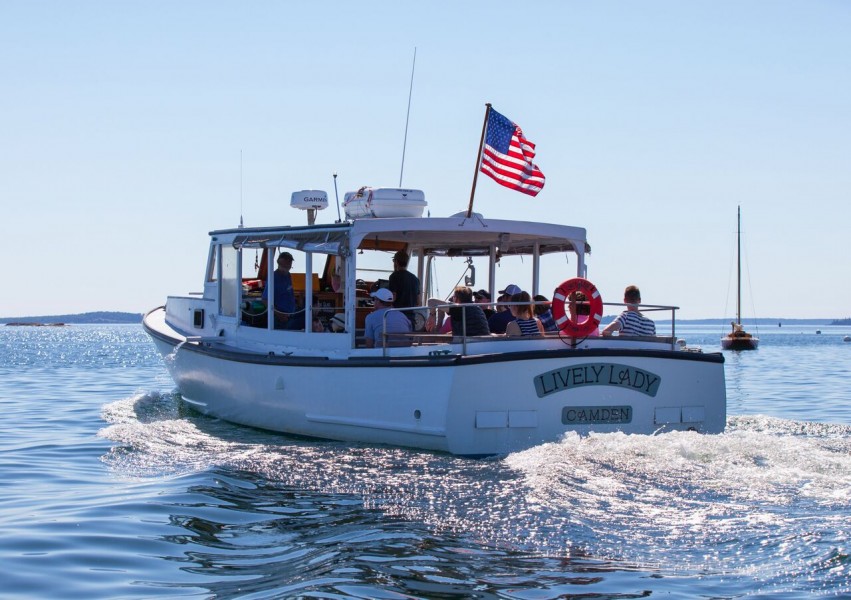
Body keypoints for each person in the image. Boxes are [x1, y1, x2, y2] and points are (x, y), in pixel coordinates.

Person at [262, 251, 304, 330]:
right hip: (280, 318)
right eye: (287, 260)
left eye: (290, 261)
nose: (289, 263)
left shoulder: (288, 275)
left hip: (291, 315)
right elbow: (265, 299)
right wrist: (278, 314)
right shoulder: (274, 277)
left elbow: (286, 293)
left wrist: (297, 300)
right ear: (279, 262)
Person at [388, 250, 420, 325]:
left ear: (396, 262)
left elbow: (393, 297)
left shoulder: (394, 276)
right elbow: (418, 301)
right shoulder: (415, 278)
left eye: (394, 260)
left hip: (398, 317)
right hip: (411, 318)